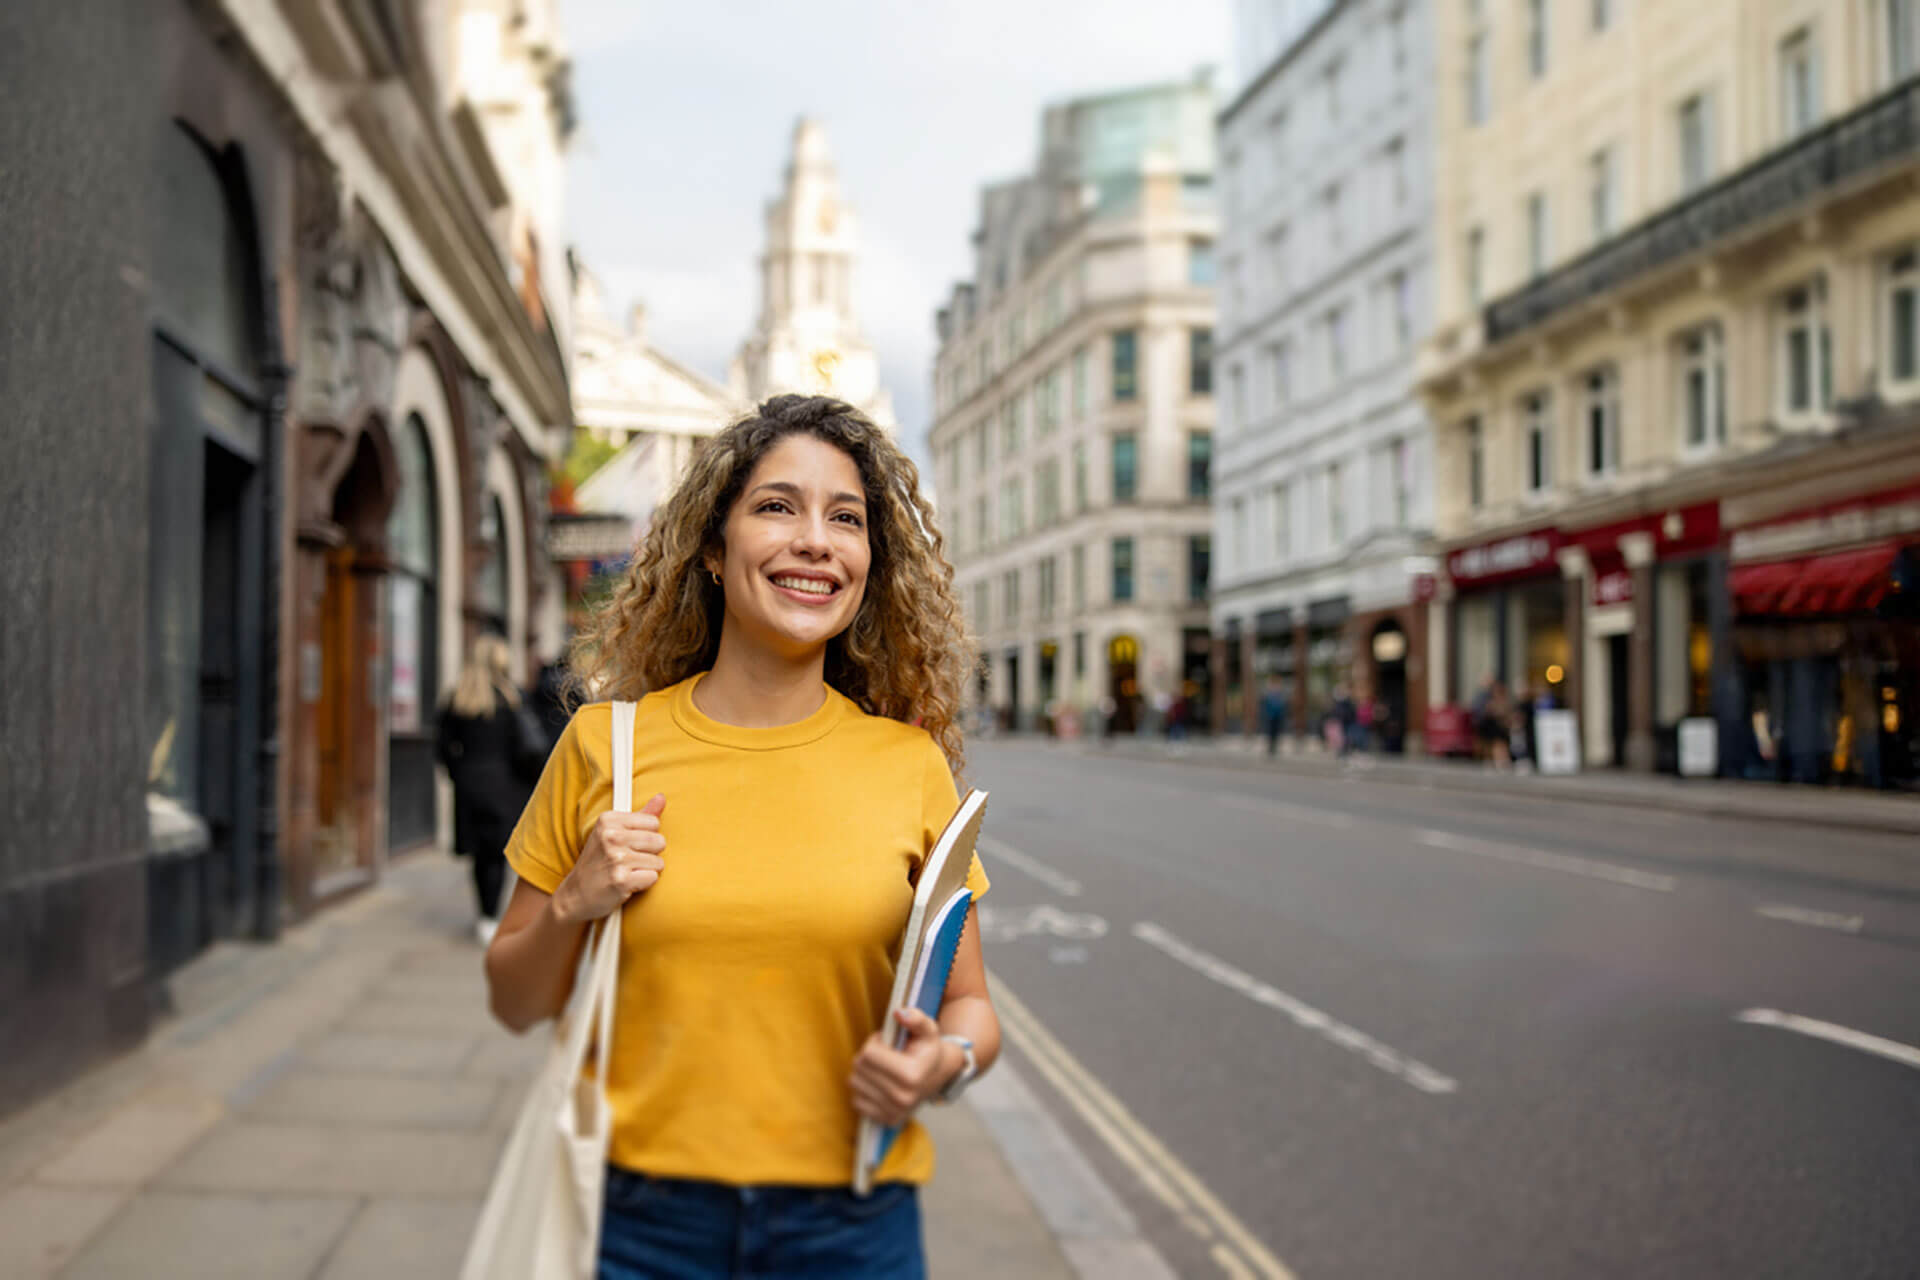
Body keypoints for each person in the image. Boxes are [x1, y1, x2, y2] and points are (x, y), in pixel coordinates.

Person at [483, 395, 998, 1279]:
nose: (815, 540)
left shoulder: (908, 765)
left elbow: (970, 1010)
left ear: (869, 563)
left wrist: (940, 1066)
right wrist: (574, 902)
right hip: (639, 1225)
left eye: (847, 519)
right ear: (714, 553)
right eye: (776, 506)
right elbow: (513, 1000)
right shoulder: (606, 747)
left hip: (853, 1226)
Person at [435, 634, 541, 944]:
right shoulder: (511, 699)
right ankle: (491, 917)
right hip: (503, 787)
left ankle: (485, 915)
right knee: (497, 855)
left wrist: (460, 775)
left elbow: (442, 749)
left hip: (469, 788)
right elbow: (528, 750)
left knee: (480, 857)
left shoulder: (457, 699)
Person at [1260, 676, 1290, 756]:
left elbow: (1283, 705)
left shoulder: (1280, 695)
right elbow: (1265, 705)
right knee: (1270, 732)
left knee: (1276, 732)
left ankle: (1274, 746)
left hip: (1278, 716)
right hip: (1270, 717)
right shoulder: (1269, 695)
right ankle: (1271, 747)